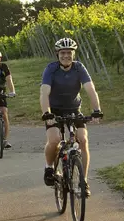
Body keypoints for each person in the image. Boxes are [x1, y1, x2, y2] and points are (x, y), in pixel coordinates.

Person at [39, 38, 103, 197]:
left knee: (83, 139)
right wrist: (47, 113)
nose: (66, 56)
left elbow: (90, 89)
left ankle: (83, 180)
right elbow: (44, 92)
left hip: (74, 109)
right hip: (54, 110)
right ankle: (48, 167)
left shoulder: (79, 68)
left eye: (69, 53)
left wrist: (96, 110)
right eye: (63, 53)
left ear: (73, 54)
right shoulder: (51, 69)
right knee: (54, 140)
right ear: (57, 54)